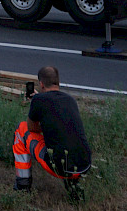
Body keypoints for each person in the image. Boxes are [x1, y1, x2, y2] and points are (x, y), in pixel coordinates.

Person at [13, 66, 91, 202]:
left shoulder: (38, 101)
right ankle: (75, 189)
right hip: (84, 165)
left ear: (41, 84)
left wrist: (37, 106)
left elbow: (32, 129)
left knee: (21, 129)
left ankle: (22, 185)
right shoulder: (70, 100)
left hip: (58, 167)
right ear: (58, 83)